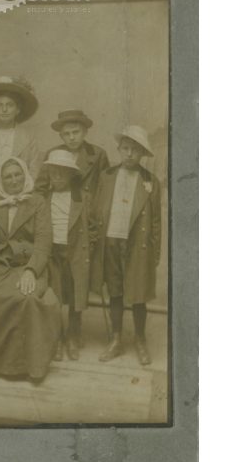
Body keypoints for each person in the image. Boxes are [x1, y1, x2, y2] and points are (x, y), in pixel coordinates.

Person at [0, 157, 60, 384]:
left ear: (25, 175)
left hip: (25, 266)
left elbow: (43, 242)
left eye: (18, 174)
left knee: (25, 298)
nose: (14, 180)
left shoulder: (37, 202)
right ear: (0, 180)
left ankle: (28, 366)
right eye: (8, 176)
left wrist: (31, 271)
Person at [90, 126, 162, 366]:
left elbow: (155, 221)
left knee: (138, 294)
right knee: (115, 291)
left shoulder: (149, 181)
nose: (129, 154)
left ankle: (140, 339)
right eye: (125, 149)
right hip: (111, 241)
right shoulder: (107, 176)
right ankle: (117, 339)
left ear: (142, 153)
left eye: (135, 150)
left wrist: (155, 253)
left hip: (137, 244)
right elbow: (97, 210)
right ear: (119, 150)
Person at [42, 150, 92, 361]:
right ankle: (58, 338)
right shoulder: (44, 198)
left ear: (72, 175)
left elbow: (93, 227)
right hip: (53, 252)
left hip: (75, 252)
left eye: (62, 173)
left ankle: (73, 335)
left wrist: (88, 247)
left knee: (74, 296)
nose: (58, 178)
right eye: (54, 173)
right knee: (55, 296)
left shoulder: (83, 198)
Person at [0, 76, 42, 186]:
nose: (4, 110)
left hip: (20, 195)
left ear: (18, 109)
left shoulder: (28, 137)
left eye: (9, 105)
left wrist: (24, 191)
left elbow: (34, 170)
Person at [35, 109, 109, 197]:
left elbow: (105, 189)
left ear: (85, 132)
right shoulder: (52, 153)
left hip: (88, 206)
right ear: (61, 136)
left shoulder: (98, 154)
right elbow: (40, 188)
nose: (71, 138)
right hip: (59, 203)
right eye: (66, 134)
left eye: (76, 132)